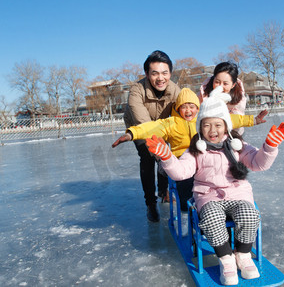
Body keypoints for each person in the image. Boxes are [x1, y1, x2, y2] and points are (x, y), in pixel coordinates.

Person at [145, 87, 284, 285]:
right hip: (208, 197)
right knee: (212, 218)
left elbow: (259, 163)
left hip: (238, 194)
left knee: (249, 214)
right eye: (206, 125)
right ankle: (226, 259)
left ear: (226, 126)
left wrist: (269, 148)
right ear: (200, 127)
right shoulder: (195, 151)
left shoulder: (237, 146)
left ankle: (243, 255)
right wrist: (167, 157)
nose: (212, 131)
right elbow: (180, 172)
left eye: (217, 124)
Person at [113, 87, 268, 211]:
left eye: (192, 106)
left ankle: (227, 203)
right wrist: (131, 134)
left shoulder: (202, 119)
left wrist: (253, 120)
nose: (188, 111)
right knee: (187, 182)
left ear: (197, 107)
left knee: (221, 171)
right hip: (182, 162)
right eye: (184, 107)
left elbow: (231, 119)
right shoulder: (171, 122)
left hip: (203, 157)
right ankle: (189, 208)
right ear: (178, 108)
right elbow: (150, 127)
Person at [123, 50, 181, 222]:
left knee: (167, 154)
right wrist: (159, 153)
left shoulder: (175, 90)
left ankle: (164, 191)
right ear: (147, 74)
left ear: (170, 73)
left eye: (165, 73)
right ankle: (150, 203)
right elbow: (145, 125)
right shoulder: (136, 90)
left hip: (164, 125)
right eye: (155, 73)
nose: (160, 78)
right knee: (149, 156)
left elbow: (183, 117)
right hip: (139, 125)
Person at [198, 62, 247, 134]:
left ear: (233, 85)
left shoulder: (239, 98)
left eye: (225, 84)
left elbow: (238, 122)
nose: (220, 87)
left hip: (233, 134)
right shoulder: (203, 94)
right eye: (217, 82)